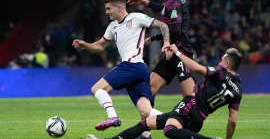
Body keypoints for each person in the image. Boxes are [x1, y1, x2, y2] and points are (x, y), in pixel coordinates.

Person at [86, 46, 243, 139]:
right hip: (199, 119)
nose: (219, 63)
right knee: (145, 123)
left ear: (227, 63)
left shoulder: (220, 72)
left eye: (222, 60)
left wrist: (178, 53)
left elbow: (196, 68)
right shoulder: (238, 90)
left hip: (190, 105)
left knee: (169, 130)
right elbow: (233, 120)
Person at [73, 0, 171, 131]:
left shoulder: (136, 17)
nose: (106, 12)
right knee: (146, 112)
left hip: (132, 66)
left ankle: (112, 117)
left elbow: (163, 25)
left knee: (97, 89)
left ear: (119, 7)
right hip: (140, 71)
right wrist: (86, 45)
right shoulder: (113, 26)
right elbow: (100, 46)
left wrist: (166, 42)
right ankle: (178, 120)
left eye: (108, 8)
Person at [127, 0, 196, 98]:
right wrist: (145, 2)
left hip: (181, 53)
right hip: (171, 50)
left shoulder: (174, 3)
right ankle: (148, 118)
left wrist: (156, 38)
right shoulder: (172, 0)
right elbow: (165, 10)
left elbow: (175, 31)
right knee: (150, 89)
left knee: (189, 98)